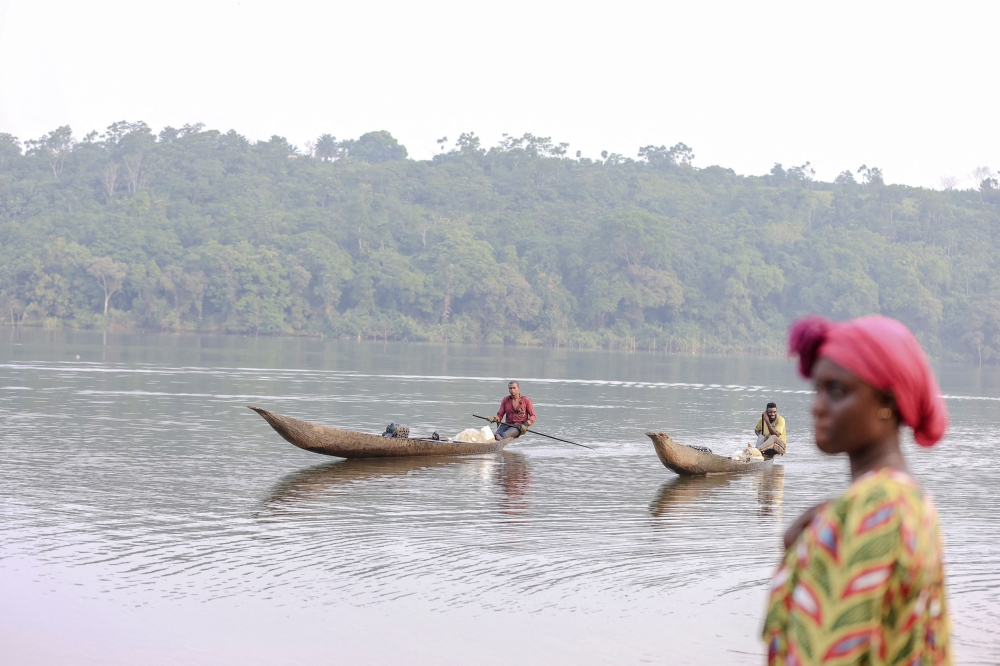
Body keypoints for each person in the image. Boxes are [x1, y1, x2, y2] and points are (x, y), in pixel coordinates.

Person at [762, 316, 951, 665]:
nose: (817, 406)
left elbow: (828, 651)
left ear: (889, 402)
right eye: (817, 389)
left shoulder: (876, 509)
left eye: (837, 391)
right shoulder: (906, 500)